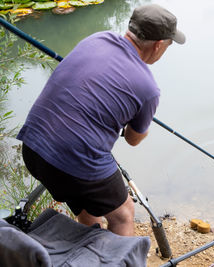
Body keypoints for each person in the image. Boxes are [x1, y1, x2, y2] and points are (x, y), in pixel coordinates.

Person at [16, 4, 185, 236]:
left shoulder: (96, 38)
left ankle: (89, 253)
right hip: (75, 163)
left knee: (88, 208)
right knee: (124, 214)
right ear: (158, 45)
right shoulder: (148, 88)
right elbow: (134, 139)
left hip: (33, 149)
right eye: (168, 45)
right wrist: (139, 127)